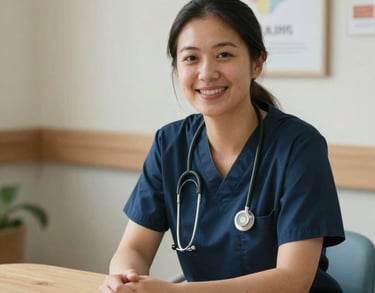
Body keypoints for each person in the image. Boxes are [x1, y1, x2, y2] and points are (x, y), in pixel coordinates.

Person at [100, 0, 345, 292]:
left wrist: (176, 292)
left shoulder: (299, 147)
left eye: (224, 54)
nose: (206, 72)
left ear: (256, 63)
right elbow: (135, 247)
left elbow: (293, 281)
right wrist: (126, 278)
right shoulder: (170, 144)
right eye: (191, 58)